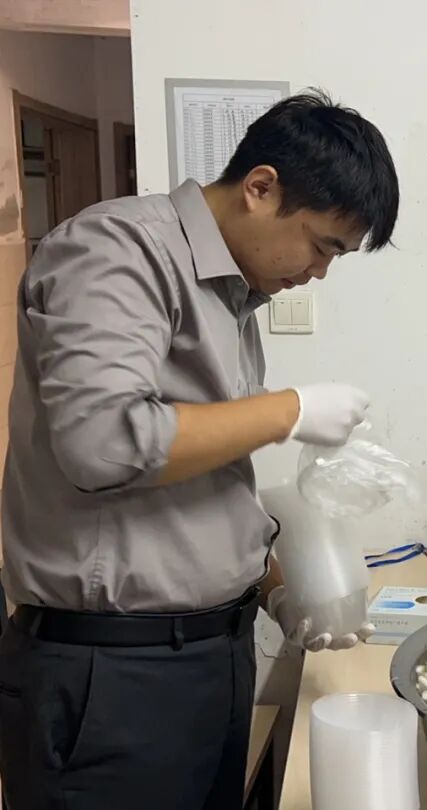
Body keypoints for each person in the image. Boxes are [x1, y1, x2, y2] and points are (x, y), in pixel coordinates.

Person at [0, 90, 398, 810]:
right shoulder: (119, 250)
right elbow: (102, 443)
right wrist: (290, 411)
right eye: (321, 245)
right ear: (261, 187)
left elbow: (201, 475)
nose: (318, 272)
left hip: (207, 662)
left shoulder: (231, 297)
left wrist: (274, 589)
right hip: (111, 675)